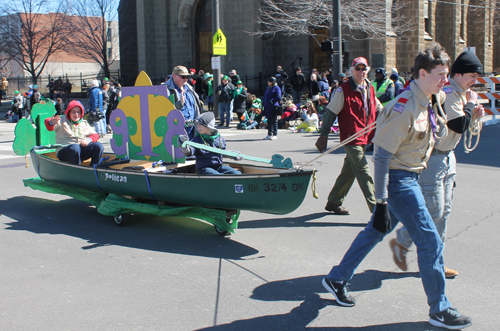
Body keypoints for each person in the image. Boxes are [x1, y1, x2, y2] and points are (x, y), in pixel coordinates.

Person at [321, 44, 473, 330]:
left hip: (412, 177)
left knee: (375, 232)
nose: (445, 80)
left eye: (447, 74)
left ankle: (337, 278)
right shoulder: (404, 107)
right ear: (422, 74)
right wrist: (380, 203)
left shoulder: (432, 96)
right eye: (441, 75)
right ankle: (439, 309)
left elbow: (451, 102)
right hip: (400, 181)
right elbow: (380, 156)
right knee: (430, 242)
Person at [389, 50, 485, 280]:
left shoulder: (461, 92)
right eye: (471, 75)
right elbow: (458, 125)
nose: (474, 81)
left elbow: (463, 125)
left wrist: (474, 114)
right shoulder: (451, 92)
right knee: (433, 210)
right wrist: (471, 107)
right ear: (459, 73)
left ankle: (436, 262)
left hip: (447, 156)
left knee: (444, 212)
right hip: (434, 158)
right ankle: (402, 242)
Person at [315, 57, 381, 215]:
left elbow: (379, 108)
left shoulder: (369, 88)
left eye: (363, 69)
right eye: (357, 69)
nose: (361, 72)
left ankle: (333, 202)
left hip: (365, 136)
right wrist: (323, 135)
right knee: (364, 172)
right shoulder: (343, 89)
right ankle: (377, 212)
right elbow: (331, 111)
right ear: (352, 71)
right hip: (352, 137)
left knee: (349, 171)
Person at [44, 100, 104, 166]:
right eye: (73, 112)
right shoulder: (61, 120)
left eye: (78, 112)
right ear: (69, 112)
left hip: (79, 151)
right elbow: (48, 124)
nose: (76, 114)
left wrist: (88, 140)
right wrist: (51, 122)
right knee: (75, 147)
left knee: (98, 146)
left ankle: (94, 168)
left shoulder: (83, 123)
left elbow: (96, 135)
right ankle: (76, 170)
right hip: (65, 152)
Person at [164, 66, 203, 138]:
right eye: (183, 77)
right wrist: (180, 104)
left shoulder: (189, 88)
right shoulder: (165, 89)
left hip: (192, 129)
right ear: (174, 76)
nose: (186, 79)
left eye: (187, 77)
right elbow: (164, 112)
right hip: (177, 132)